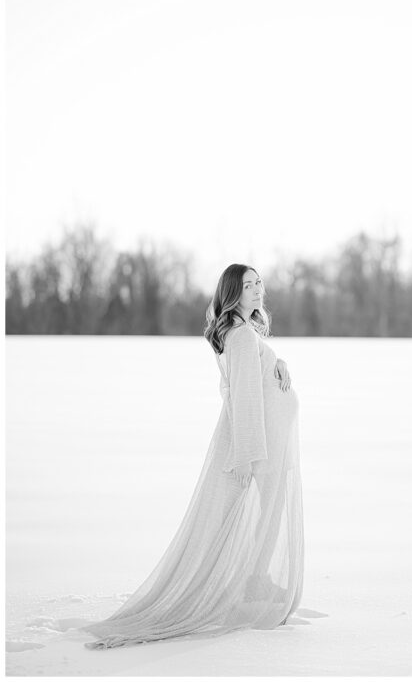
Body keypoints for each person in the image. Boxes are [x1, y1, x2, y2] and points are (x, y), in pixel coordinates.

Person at [83, 264, 304, 649]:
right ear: (232, 294)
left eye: (258, 283)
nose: (257, 290)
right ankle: (249, 582)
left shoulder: (243, 333)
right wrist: (248, 454)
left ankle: (256, 578)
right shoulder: (241, 336)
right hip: (262, 444)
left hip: (269, 439)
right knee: (261, 514)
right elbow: (244, 397)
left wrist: (277, 362)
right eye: (247, 286)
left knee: (267, 513)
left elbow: (249, 375)